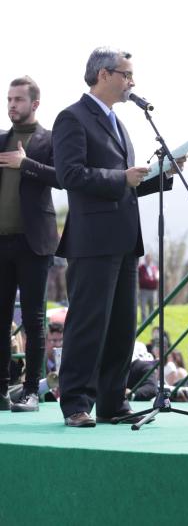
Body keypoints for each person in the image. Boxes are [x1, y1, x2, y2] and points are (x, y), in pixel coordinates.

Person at [52, 47, 184, 427]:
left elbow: (127, 185)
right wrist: (120, 177)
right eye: (126, 75)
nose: (132, 82)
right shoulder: (72, 118)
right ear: (104, 74)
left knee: (122, 327)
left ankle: (112, 402)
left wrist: (163, 175)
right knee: (88, 324)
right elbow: (70, 176)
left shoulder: (119, 124)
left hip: (126, 240)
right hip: (92, 241)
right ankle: (76, 403)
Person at [1, 76, 61, 413]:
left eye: (18, 100)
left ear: (35, 104)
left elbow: (62, 178)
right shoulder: (0, 139)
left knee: (36, 319)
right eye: (8, 99)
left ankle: (30, 392)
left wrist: (26, 163)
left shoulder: (50, 140)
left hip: (34, 243)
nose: (11, 105)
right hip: (0, 243)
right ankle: (0, 390)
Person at [138, 253, 159, 322]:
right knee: (143, 306)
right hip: (144, 290)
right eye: (147, 258)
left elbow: (157, 277)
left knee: (152, 306)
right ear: (145, 259)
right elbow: (140, 278)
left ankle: (151, 321)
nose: (149, 260)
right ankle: (144, 321)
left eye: (150, 259)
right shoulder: (141, 268)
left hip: (153, 290)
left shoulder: (154, 268)